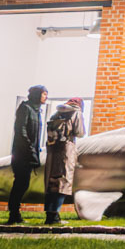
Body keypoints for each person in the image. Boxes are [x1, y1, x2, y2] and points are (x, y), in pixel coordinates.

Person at [3, 84, 46, 224]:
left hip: (30, 153)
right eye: (44, 94)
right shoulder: (25, 108)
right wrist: (30, 149)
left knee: (23, 183)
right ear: (37, 94)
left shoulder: (36, 111)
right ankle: (13, 213)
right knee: (20, 184)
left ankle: (15, 213)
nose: (45, 97)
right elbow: (21, 131)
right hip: (22, 154)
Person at [43, 96, 86, 225]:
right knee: (63, 181)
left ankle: (49, 215)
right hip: (66, 149)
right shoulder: (76, 112)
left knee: (51, 182)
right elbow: (80, 132)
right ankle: (55, 215)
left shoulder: (56, 113)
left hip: (52, 149)